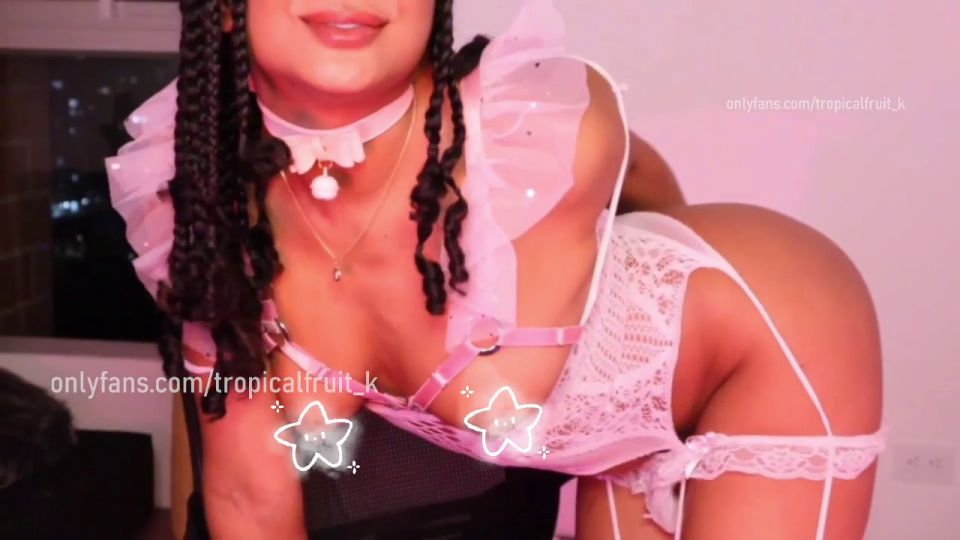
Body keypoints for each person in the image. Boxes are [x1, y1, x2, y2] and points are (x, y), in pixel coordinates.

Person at [105, 0, 885, 538]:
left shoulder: (528, 134)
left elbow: (638, 172)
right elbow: (247, 497)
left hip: (772, 347)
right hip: (607, 441)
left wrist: (637, 274)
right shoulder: (206, 217)